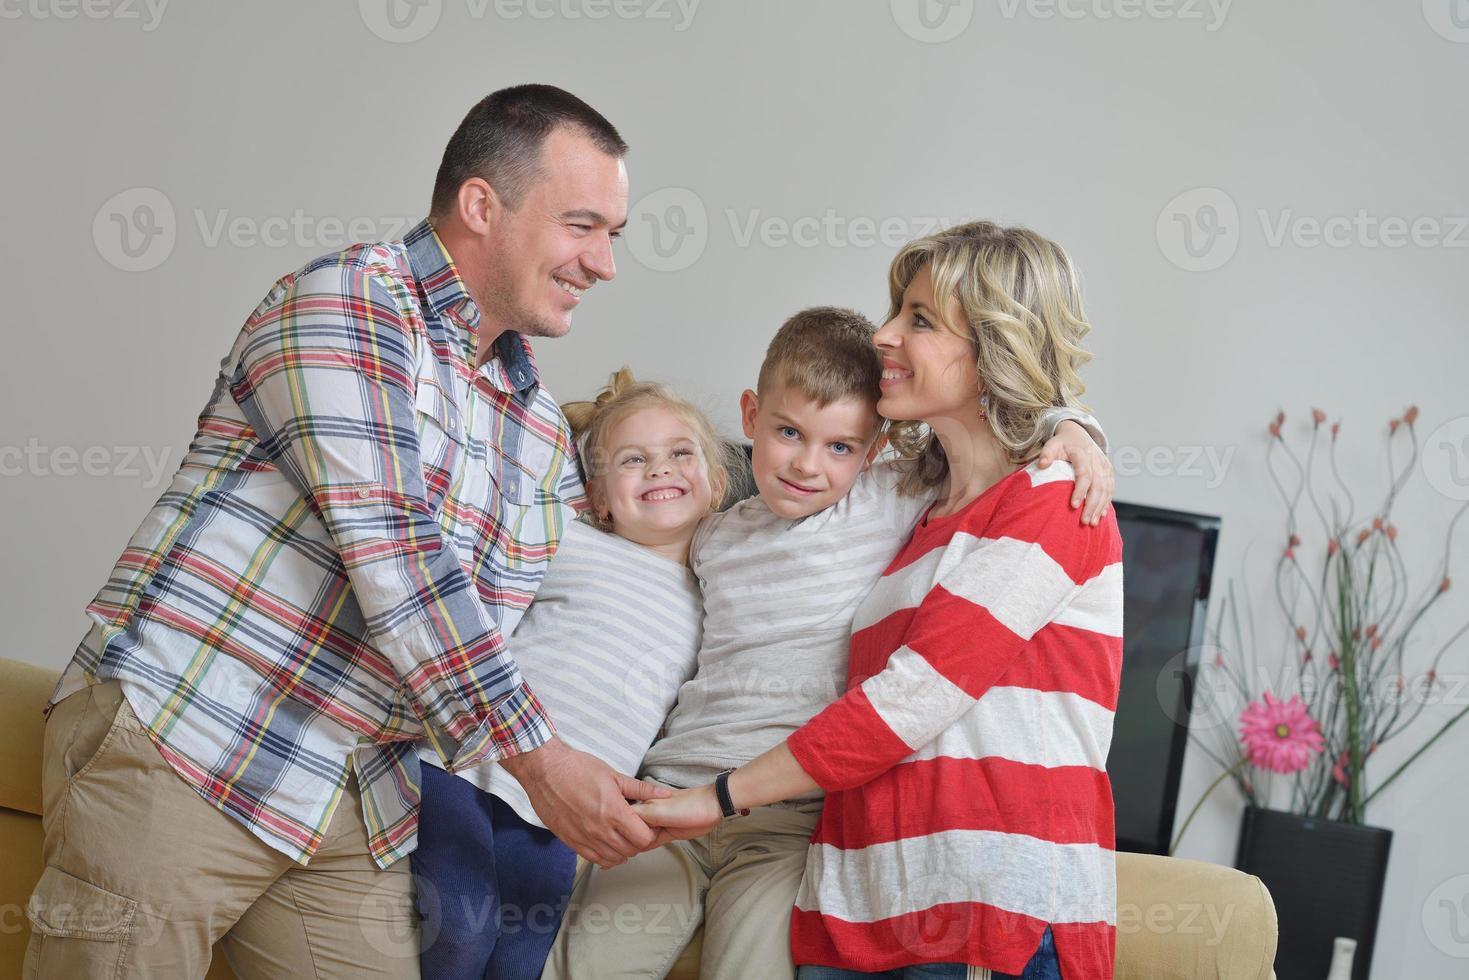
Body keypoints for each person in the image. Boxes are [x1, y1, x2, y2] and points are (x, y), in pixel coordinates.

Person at [26, 84, 659, 980]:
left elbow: (496, 630)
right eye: (582, 226)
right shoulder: (349, 303)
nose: (604, 263)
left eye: (613, 236)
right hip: (190, 733)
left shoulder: (539, 430)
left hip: (350, 797)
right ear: (483, 205)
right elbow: (395, 551)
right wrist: (543, 764)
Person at [543, 305, 1111, 980]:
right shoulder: (714, 536)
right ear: (750, 416)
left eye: (839, 446)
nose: (807, 465)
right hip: (670, 793)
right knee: (584, 963)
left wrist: (1072, 427)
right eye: (788, 432)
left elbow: (992, 432)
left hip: (786, 818)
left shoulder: (888, 497)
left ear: (872, 451)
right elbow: (633, 539)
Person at [412, 368, 733, 979]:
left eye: (680, 453)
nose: (660, 468)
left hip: (566, 818)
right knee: (459, 927)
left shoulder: (721, 592)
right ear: (598, 497)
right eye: (634, 459)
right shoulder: (569, 544)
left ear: (717, 485)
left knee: (521, 961)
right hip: (470, 770)